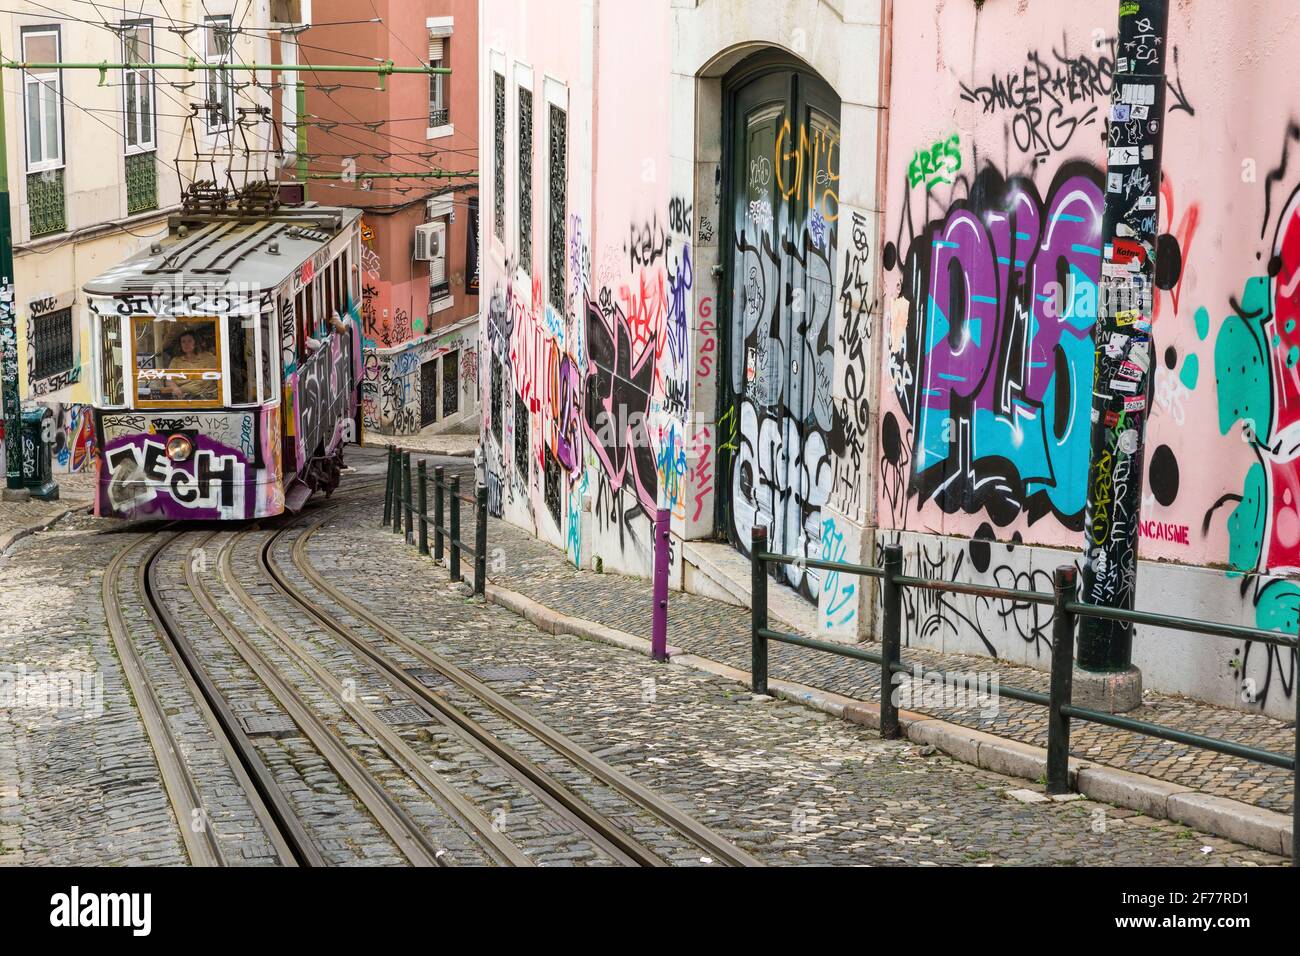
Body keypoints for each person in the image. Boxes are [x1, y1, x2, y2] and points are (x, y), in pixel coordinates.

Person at [164, 330, 219, 400]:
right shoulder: (176, 361)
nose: (186, 344)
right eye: (183, 341)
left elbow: (220, 379)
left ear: (195, 343)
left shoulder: (209, 358)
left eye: (189, 341)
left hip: (206, 399)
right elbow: (169, 379)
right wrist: (175, 388)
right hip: (183, 399)